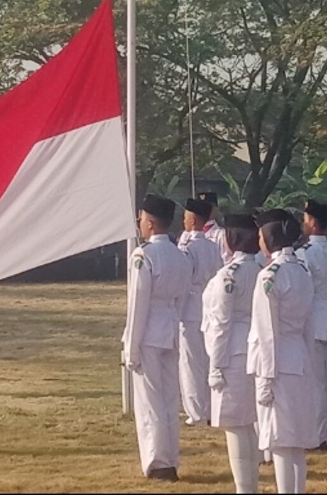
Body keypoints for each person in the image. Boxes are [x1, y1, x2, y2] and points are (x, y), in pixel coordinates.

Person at [122, 194, 193, 482]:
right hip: (171, 329)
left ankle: (157, 461)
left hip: (149, 332)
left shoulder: (144, 255)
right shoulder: (180, 255)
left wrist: (131, 347)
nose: (139, 223)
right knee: (168, 399)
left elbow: (138, 304)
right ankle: (170, 458)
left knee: (150, 401)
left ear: (150, 223)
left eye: (141, 219)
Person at [249, 211, 318, 494]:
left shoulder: (270, 275)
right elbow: (308, 325)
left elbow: (266, 333)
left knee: (279, 439)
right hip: (298, 357)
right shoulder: (301, 271)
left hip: (277, 361)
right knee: (295, 440)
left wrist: (265, 378)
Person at [201, 213, 263, 493]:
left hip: (233, 352)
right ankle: (250, 484)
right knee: (248, 423)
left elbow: (221, 323)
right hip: (252, 347)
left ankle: (244, 487)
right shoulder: (261, 269)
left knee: (235, 424)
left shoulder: (230, 275)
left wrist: (215, 366)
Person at [296, 199, 327, 451]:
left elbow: (303, 292)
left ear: (313, 223)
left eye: (305, 219)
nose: (303, 223)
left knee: (314, 381)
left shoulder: (305, 254)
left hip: (312, 317)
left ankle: (314, 435)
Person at [179, 197, 222, 427]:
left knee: (191, 363)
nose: (183, 221)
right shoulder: (213, 246)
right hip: (209, 306)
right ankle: (210, 406)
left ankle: (196, 411)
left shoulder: (188, 248)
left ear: (193, 220)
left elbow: (183, 278)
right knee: (207, 359)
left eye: (185, 217)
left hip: (190, 305)